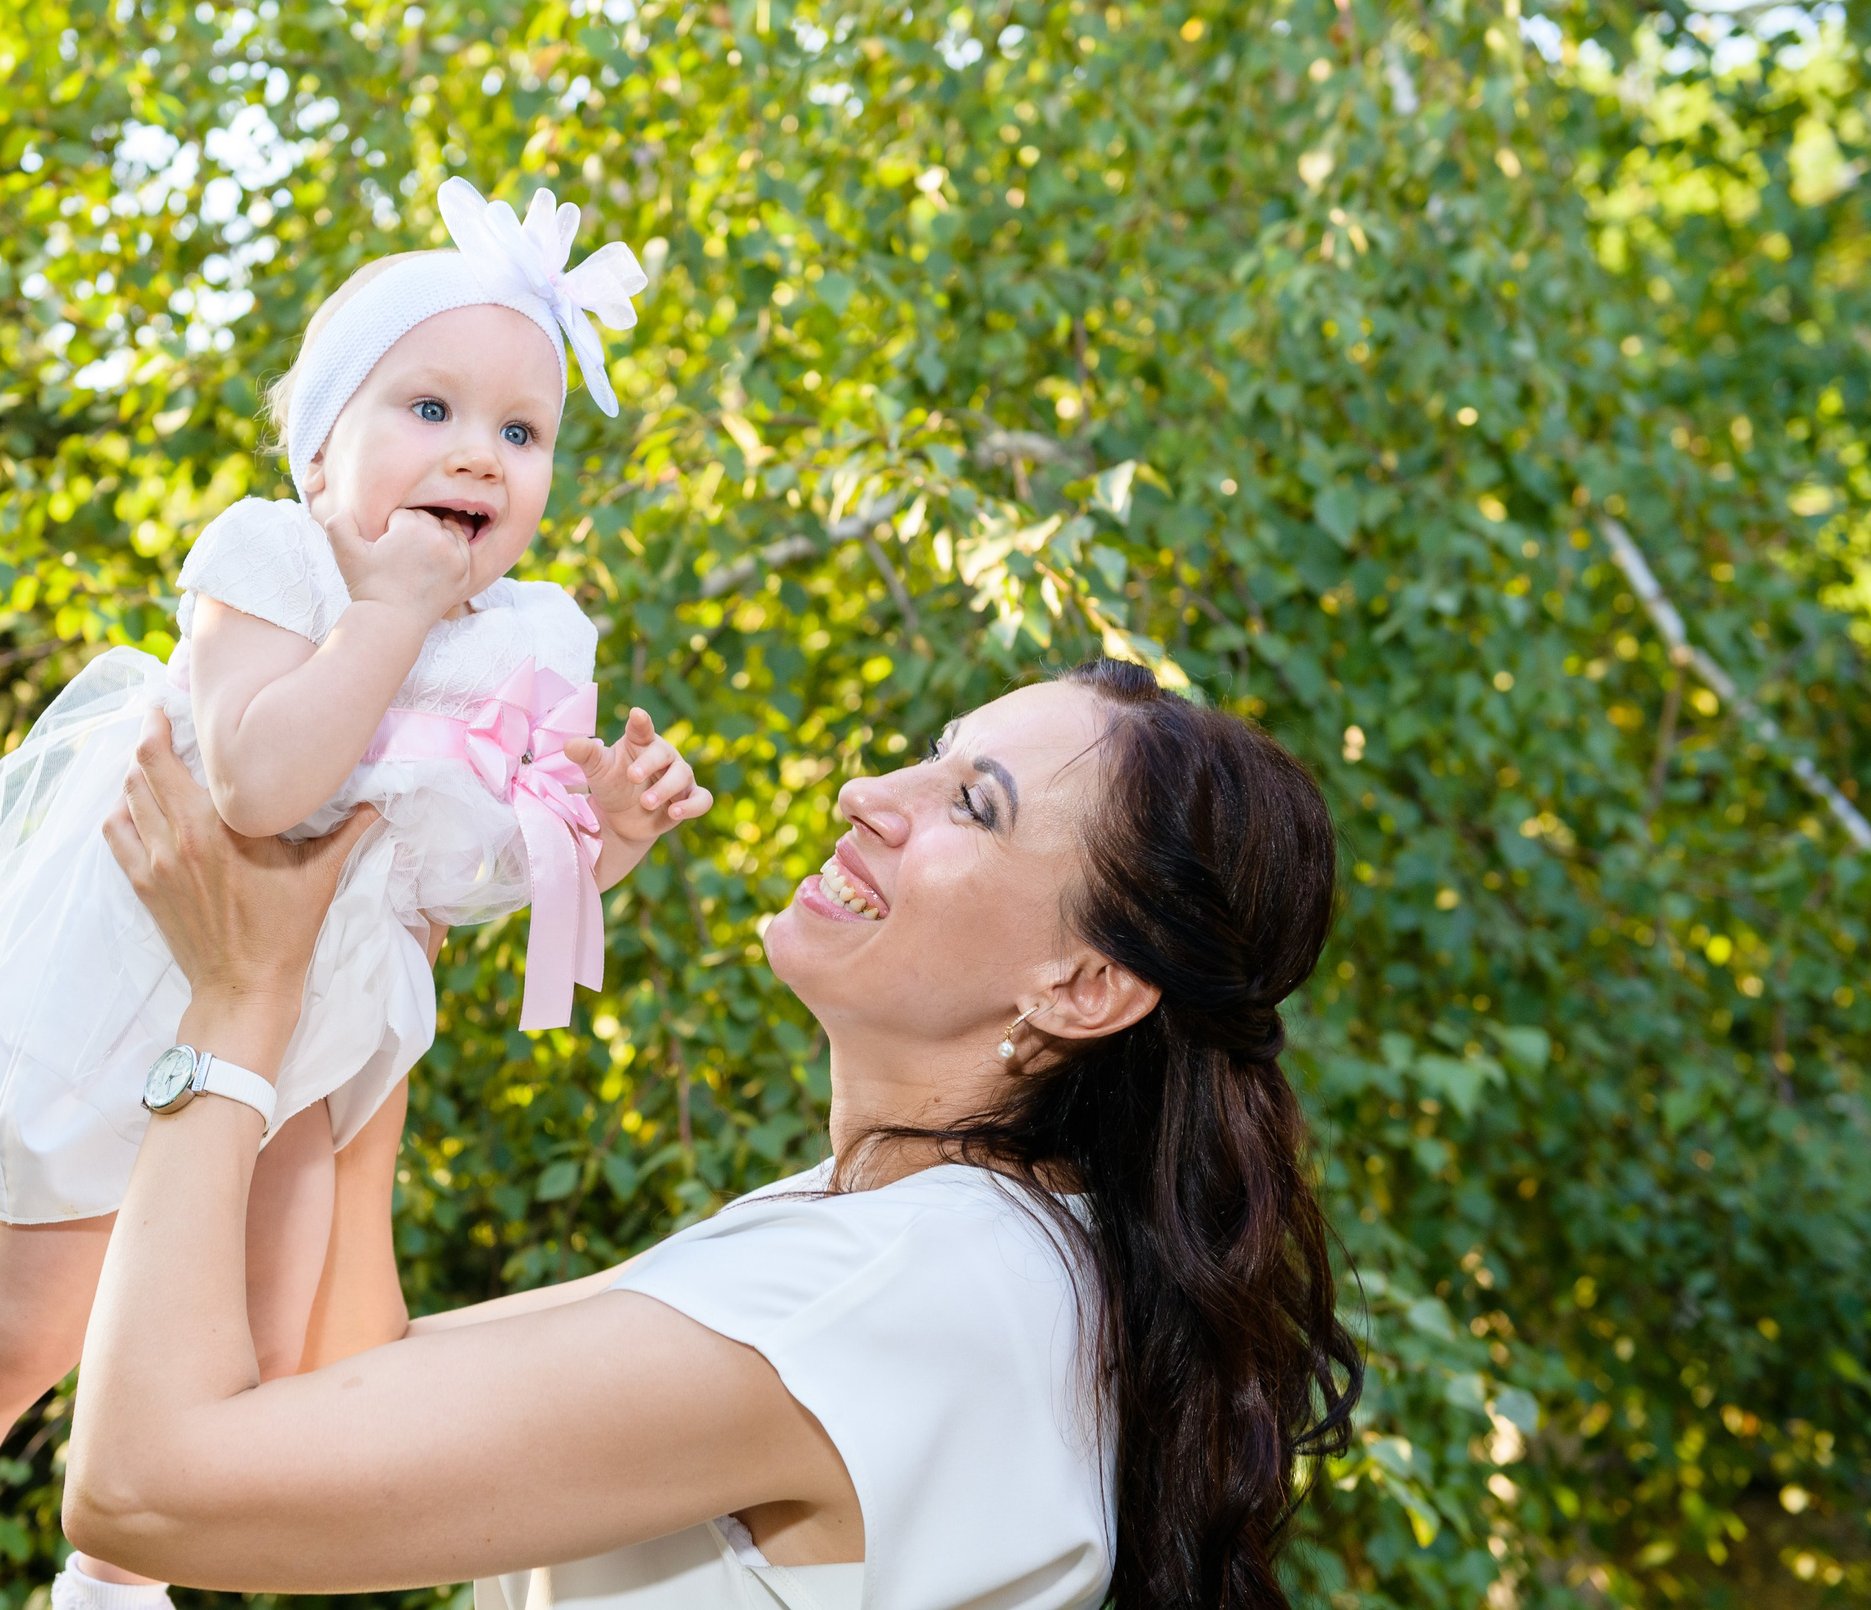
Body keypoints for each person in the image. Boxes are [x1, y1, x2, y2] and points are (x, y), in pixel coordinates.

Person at [0, 176, 714, 1610]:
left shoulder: (526, 633)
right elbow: (257, 789)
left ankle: (114, 1579)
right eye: (431, 410)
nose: (479, 455)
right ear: (323, 446)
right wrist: (391, 613)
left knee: (260, 1363)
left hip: (320, 1030)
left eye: (521, 434)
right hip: (147, 988)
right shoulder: (272, 559)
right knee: (16, 1345)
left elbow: (443, 883)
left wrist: (590, 843)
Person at [66, 659, 1364, 1610]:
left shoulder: (904, 1286)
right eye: (933, 746)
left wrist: (236, 1005)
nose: (869, 791)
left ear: (1082, 989)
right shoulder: (904, 1237)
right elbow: (339, 1382)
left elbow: (144, 1489)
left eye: (973, 804)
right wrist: (388, 936)